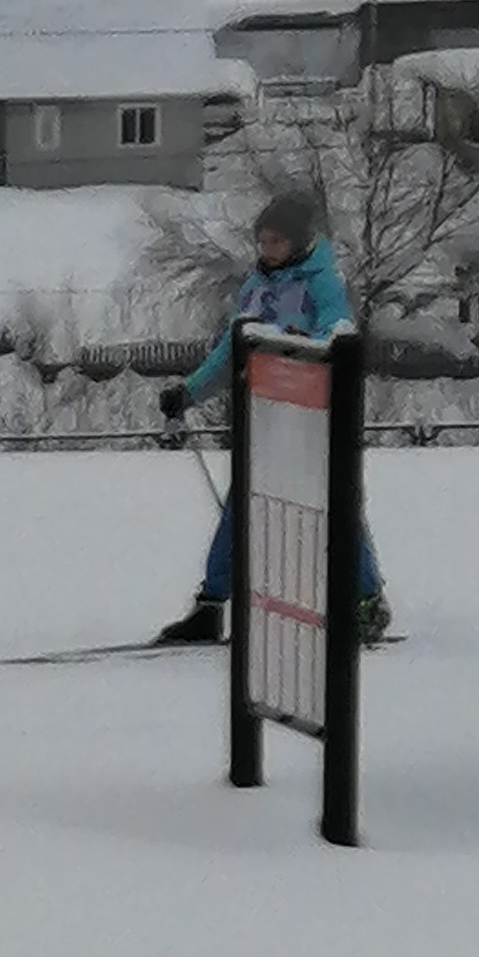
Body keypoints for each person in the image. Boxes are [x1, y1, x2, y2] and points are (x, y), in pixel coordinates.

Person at [154, 189, 387, 646]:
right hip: (264, 417)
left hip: (312, 420)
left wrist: (305, 346)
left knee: (335, 506)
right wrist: (190, 391)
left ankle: (366, 601)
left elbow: (338, 331)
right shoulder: (256, 286)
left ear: (299, 242)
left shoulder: (321, 282)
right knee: (241, 506)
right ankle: (211, 604)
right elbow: (232, 348)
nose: (267, 250)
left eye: (276, 241)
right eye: (262, 241)